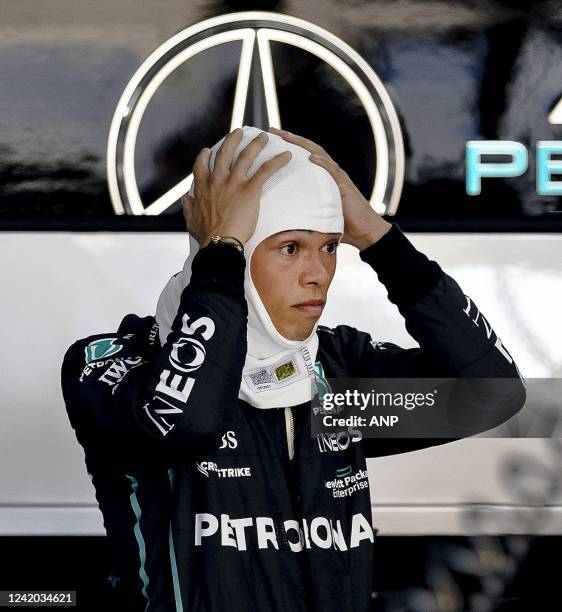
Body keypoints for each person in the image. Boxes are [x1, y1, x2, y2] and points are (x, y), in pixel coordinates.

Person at [61, 126, 526, 611]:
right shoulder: (117, 363)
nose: (317, 273)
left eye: (329, 247)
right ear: (233, 249)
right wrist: (219, 253)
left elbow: (491, 391)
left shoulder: (336, 372)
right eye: (290, 248)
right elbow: (187, 422)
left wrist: (377, 237)